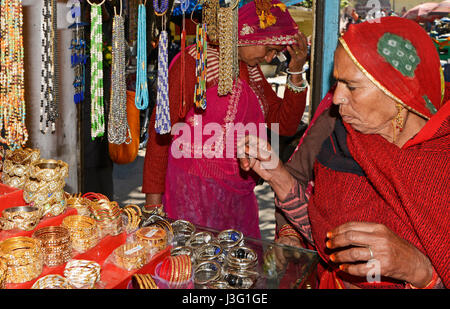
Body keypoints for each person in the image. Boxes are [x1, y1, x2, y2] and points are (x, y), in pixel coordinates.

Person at [239, 17, 449, 288]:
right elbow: (326, 238)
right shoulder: (342, 141)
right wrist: (278, 177)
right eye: (337, 83)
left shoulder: (442, 161)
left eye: (351, 86)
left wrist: (420, 271)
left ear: (399, 91)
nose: (336, 98)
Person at [142, 0, 309, 239]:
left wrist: (296, 72)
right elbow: (160, 132)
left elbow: (283, 125)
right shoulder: (193, 63)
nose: (271, 57)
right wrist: (153, 204)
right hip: (190, 197)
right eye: (270, 49)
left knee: (239, 268)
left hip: (237, 199)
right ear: (246, 36)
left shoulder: (251, 72)